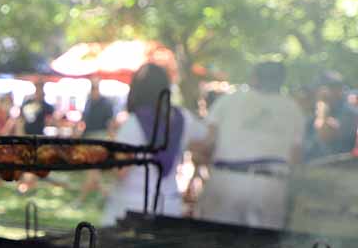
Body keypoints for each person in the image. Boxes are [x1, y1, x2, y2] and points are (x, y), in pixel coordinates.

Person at [197, 61, 305, 229]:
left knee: (217, 244)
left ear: (254, 78)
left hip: (227, 180)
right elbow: (295, 157)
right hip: (271, 185)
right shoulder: (293, 110)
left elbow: (207, 143)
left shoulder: (228, 101)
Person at [101, 64, 208, 225]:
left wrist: (103, 159)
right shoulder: (184, 118)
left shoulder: (133, 123)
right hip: (169, 206)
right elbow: (206, 142)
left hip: (131, 209)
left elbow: (121, 170)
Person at [76, 76, 117, 203]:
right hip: (88, 138)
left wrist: (111, 140)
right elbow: (83, 121)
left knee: (92, 170)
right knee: (93, 172)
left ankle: (81, 200)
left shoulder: (106, 103)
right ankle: (106, 196)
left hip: (99, 138)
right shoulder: (88, 102)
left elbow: (110, 124)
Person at [303, 71, 357, 161]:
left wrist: (322, 105)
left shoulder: (350, 114)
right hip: (313, 169)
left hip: (341, 169)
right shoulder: (311, 118)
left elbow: (325, 134)